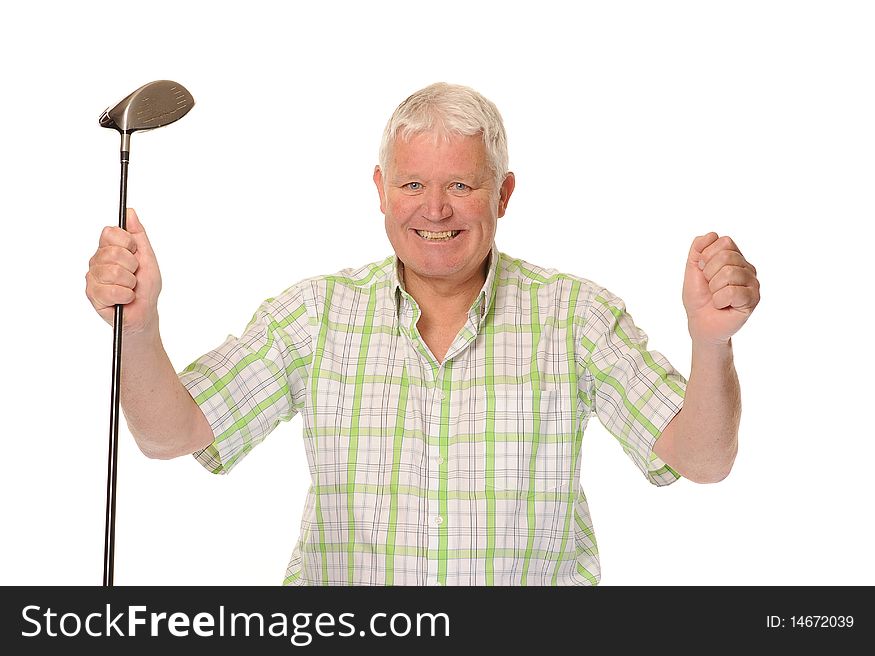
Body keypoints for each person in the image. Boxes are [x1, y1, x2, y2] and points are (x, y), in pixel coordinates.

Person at [85, 82, 760, 586]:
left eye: (461, 184)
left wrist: (710, 342)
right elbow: (169, 434)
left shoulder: (574, 317)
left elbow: (701, 460)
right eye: (413, 183)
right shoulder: (316, 314)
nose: (434, 209)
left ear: (503, 194)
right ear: (381, 189)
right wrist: (140, 329)